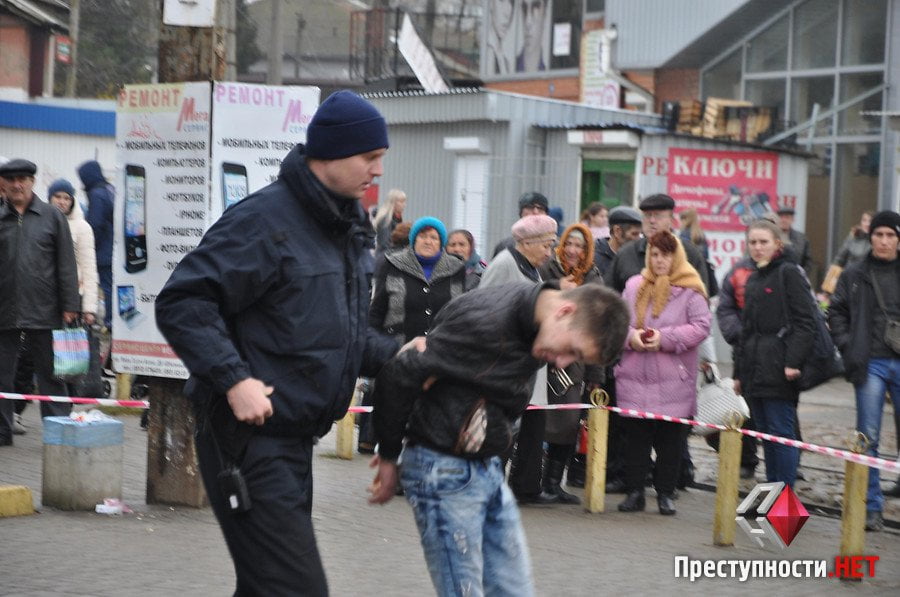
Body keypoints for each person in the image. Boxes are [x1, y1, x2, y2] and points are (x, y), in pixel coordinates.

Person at [154, 90, 400, 595]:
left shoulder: (346, 229)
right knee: (295, 588)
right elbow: (183, 302)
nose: (377, 171)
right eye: (369, 157)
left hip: (294, 440)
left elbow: (339, 338)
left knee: (267, 586)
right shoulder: (264, 221)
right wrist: (234, 378)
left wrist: (401, 355)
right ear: (329, 153)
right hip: (245, 439)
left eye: (380, 159)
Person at [368, 280, 630, 596]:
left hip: (485, 464)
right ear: (564, 311)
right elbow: (398, 374)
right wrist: (388, 456)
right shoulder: (486, 324)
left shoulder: (536, 314)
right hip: (443, 469)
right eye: (571, 351)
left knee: (513, 589)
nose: (560, 362)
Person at [608, 194, 709, 488]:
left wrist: (666, 339)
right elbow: (612, 308)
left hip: (673, 372)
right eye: (647, 214)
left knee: (671, 439)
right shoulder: (628, 261)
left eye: (659, 214)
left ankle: (671, 486)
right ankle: (633, 487)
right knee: (634, 438)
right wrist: (631, 338)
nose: (652, 220)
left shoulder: (689, 260)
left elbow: (703, 319)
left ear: (671, 218)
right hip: (635, 370)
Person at [358, 217, 466, 453]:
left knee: (432, 417)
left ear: (441, 242)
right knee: (398, 415)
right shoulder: (392, 264)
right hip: (400, 352)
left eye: (434, 237)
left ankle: (421, 467)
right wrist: (372, 343)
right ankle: (393, 464)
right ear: (413, 239)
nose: (428, 241)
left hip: (441, 355)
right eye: (423, 236)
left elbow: (462, 312)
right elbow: (377, 310)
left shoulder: (456, 269)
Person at [828, 210, 900, 532]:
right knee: (866, 436)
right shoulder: (855, 273)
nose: (884, 241)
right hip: (870, 361)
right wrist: (849, 346)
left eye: (890, 235)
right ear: (870, 237)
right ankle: (871, 506)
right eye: (879, 235)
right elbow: (836, 312)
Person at [0, 159, 80, 446]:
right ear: (3, 185)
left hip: (45, 308)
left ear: (33, 183)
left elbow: (66, 263)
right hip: (4, 309)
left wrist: (71, 304)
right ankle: (2, 431)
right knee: (1, 375)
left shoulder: (51, 217)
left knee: (52, 375)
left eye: (23, 179)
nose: (17, 185)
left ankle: (57, 432)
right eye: (11, 180)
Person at [480, 214, 558, 503]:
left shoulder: (532, 269)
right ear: (528, 242)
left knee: (509, 432)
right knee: (497, 431)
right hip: (501, 364)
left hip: (521, 366)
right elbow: (483, 309)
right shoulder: (504, 264)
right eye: (547, 245)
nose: (549, 253)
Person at [733, 219, 816, 489]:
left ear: (777, 244)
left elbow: (806, 322)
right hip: (755, 369)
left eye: (763, 242)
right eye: (753, 242)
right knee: (765, 435)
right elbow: (746, 331)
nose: (757, 248)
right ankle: (772, 493)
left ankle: (785, 496)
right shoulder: (754, 277)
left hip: (780, 368)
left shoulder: (789, 272)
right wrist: (738, 373)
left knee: (782, 434)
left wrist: (793, 362)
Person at [537, 223, 604, 503]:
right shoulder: (545, 272)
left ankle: (553, 483)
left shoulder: (594, 280)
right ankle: (532, 480)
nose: (574, 251)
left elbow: (597, 330)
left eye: (581, 246)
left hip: (575, 362)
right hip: (543, 360)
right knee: (536, 421)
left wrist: (597, 374)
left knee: (567, 422)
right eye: (570, 244)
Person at [49, 179, 99, 327]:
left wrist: (89, 308)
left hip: (72, 297)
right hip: (45, 297)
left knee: (67, 347)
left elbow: (89, 268)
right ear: (50, 198)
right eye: (58, 197)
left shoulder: (82, 227)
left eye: (67, 198)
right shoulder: (41, 223)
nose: (62, 202)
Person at [77, 160, 114, 331]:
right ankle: (112, 319)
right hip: (112, 245)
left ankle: (110, 321)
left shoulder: (96, 193)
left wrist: (90, 244)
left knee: (106, 286)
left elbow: (95, 223)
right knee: (110, 285)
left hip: (103, 249)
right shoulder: (108, 189)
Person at [821, 211, 875, 296]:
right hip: (849, 281)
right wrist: (829, 284)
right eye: (864, 220)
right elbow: (839, 260)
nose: (867, 224)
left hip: (867, 284)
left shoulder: (877, 241)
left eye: (870, 221)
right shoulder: (853, 236)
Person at [492, 191, 550, 257]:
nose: (535, 212)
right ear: (521, 213)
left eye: (541, 209)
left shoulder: (555, 248)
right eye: (530, 207)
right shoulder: (506, 247)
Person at [594, 205, 642, 279]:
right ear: (617, 231)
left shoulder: (638, 258)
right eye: (634, 234)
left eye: (640, 234)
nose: (639, 239)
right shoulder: (593, 258)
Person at [776, 206, 813, 279]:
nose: (784, 220)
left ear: (792, 220)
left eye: (787, 217)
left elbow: (808, 261)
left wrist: (800, 276)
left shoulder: (801, 238)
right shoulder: (770, 237)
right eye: (781, 217)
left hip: (795, 278)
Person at [373, 188, 406, 258]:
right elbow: (384, 243)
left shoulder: (398, 220)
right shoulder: (386, 220)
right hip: (385, 259)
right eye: (401, 202)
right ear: (393, 203)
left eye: (404, 202)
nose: (404, 205)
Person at [517, 0, 548, 72]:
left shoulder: (553, 74)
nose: (528, 22)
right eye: (524, 8)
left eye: (535, 8)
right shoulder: (508, 69)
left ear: (545, 14)